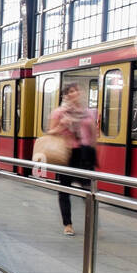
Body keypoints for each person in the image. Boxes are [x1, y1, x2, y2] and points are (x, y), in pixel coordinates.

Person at [46, 82, 99, 236]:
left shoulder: (88, 113)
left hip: (84, 154)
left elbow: (93, 135)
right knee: (64, 189)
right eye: (71, 91)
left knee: (90, 190)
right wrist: (62, 125)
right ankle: (67, 224)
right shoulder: (59, 113)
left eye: (76, 90)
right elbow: (50, 132)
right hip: (67, 154)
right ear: (66, 95)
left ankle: (93, 222)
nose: (75, 93)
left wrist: (94, 152)